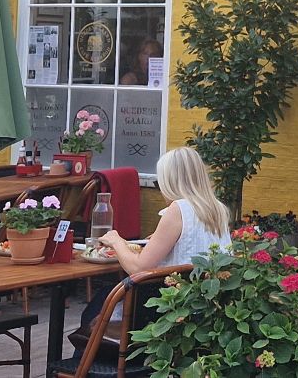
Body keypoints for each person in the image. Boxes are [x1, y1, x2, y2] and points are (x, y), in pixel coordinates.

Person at [73, 146, 230, 349]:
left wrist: (116, 240)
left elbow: (139, 268)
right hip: (206, 307)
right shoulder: (218, 209)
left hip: (171, 308)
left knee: (96, 307)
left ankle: (89, 363)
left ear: (171, 181)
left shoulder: (177, 209)